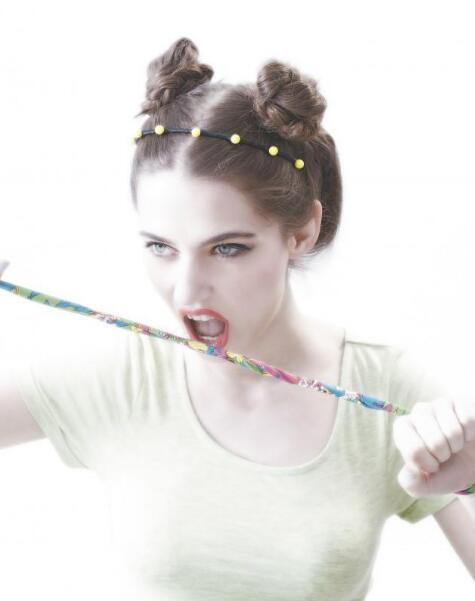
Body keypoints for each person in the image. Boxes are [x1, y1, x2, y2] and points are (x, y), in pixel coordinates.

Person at [1, 37, 474, 599]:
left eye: (227, 248)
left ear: (302, 231)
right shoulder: (120, 376)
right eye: (160, 247)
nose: (186, 289)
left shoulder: (388, 389)